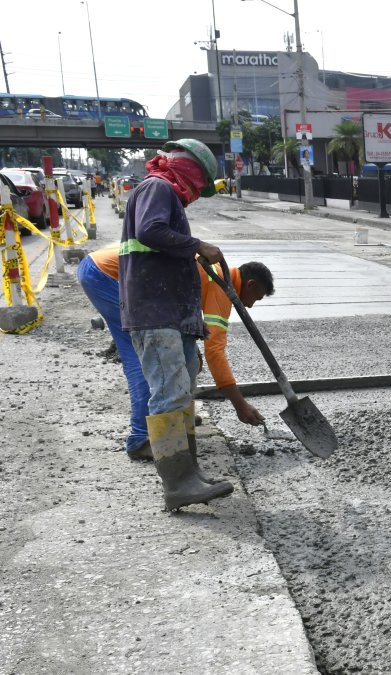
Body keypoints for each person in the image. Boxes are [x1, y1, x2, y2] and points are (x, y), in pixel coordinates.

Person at [119, 138, 236, 511]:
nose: (198, 194)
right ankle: (177, 484)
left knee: (183, 389)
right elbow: (150, 231)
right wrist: (197, 244)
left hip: (172, 314)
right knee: (169, 392)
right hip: (154, 313)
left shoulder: (169, 194)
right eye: (200, 184)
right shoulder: (157, 187)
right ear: (190, 170)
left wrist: (193, 320)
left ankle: (191, 473)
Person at [78, 244, 275, 461]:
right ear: (250, 284)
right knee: (142, 357)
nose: (251, 306)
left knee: (185, 358)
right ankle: (141, 438)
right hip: (108, 276)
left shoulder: (215, 272)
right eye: (255, 298)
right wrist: (240, 405)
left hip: (104, 269)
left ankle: (178, 416)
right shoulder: (220, 283)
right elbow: (215, 352)